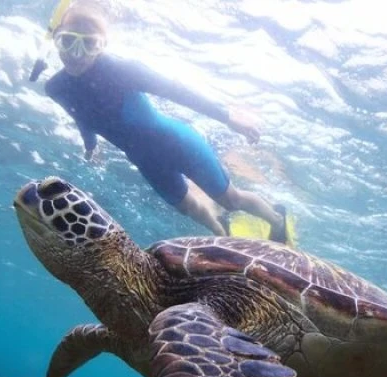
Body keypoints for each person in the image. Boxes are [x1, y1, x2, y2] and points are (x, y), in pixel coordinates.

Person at [43, 2, 287, 240]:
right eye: (68, 41)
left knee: (231, 200)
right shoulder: (55, 88)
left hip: (179, 144)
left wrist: (228, 117)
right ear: (56, 38)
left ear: (102, 45)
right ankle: (225, 238)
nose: (77, 54)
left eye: (89, 44)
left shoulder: (122, 70)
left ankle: (277, 220)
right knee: (191, 208)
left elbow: (177, 91)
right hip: (146, 161)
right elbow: (80, 115)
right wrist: (90, 145)